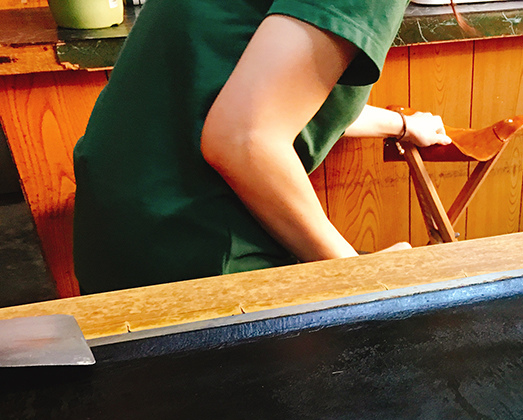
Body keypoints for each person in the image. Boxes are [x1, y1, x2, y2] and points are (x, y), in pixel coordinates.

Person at [72, 0, 453, 294]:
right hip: (194, 254)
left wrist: (402, 126)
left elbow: (275, 90)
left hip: (118, 231)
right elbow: (242, 139)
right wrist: (355, 276)